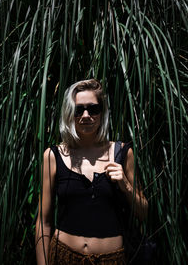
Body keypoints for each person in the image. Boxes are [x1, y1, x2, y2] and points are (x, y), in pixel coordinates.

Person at [35, 79, 148, 265]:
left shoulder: (122, 152)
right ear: (70, 113)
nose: (86, 116)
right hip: (64, 256)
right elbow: (43, 222)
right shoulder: (53, 156)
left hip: (112, 260)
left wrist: (125, 184)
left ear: (102, 113)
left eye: (93, 109)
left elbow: (143, 213)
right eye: (79, 110)